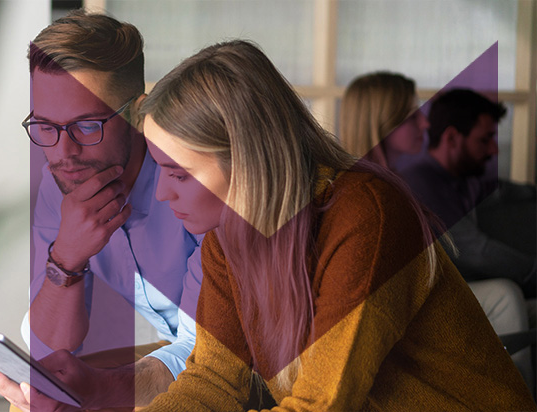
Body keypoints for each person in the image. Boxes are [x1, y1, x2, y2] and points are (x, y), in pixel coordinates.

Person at [129, 40, 532, 410]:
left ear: (249, 161)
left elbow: (321, 406)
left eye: (178, 174)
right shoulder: (224, 241)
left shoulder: (366, 214)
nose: (162, 193)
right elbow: (211, 381)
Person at [0, 10, 203, 411]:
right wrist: (66, 257)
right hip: (179, 348)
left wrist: (102, 392)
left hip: (247, 357)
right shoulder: (61, 185)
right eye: (45, 127)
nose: (63, 153)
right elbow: (49, 348)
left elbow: (212, 353)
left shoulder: (193, 178)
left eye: (87, 126)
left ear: (138, 113)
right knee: (35, 396)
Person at [342, 80, 535, 391]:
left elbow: (494, 189)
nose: (425, 122)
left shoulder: (399, 179)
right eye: (412, 114)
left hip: (417, 294)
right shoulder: (371, 190)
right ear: (382, 124)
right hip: (395, 310)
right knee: (504, 296)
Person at [400, 89, 536, 298]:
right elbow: (476, 251)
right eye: (485, 139)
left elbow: (501, 191)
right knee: (505, 296)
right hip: (431, 300)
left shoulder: (463, 179)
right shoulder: (421, 184)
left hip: (467, 289)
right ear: (452, 138)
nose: (494, 150)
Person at [340, 71, 428, 172]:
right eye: (412, 116)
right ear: (378, 121)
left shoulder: (393, 177)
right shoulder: (361, 185)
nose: (425, 123)